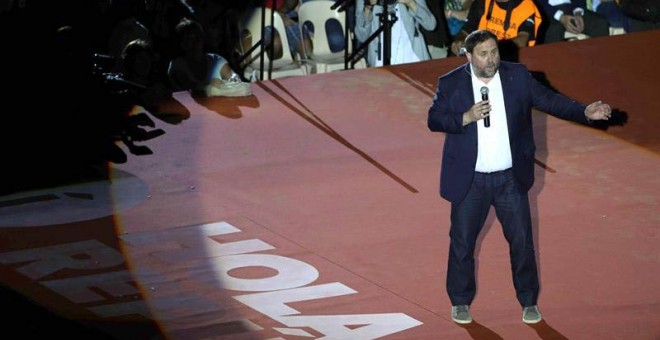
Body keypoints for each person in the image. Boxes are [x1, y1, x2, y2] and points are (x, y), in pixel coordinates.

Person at [427, 29, 612, 325]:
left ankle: (528, 301)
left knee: (522, 242)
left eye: (495, 52)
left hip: (509, 180)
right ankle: (460, 301)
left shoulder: (518, 76)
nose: (492, 59)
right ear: (468, 55)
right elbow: (434, 119)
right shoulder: (451, 83)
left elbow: (551, 101)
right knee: (462, 243)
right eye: (484, 54)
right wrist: (465, 117)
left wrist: (585, 111)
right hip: (470, 181)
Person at [167, 17, 252, 97]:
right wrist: (217, 86)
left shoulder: (216, 60)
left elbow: (237, 81)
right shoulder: (176, 65)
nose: (197, 42)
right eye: (191, 39)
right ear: (183, 44)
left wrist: (230, 82)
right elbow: (192, 89)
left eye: (199, 37)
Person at [355, 0, 437, 67]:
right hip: (380, 61)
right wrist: (368, 8)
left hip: (413, 58)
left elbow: (431, 25)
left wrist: (411, 3)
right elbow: (361, 37)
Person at [450, 0, 542, 57]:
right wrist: (459, 42)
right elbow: (466, 31)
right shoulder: (481, 3)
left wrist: (490, 47)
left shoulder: (526, 5)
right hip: (481, 61)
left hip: (513, 59)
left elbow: (523, 39)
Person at [537, 0, 609, 43]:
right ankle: (554, 66)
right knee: (554, 30)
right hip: (548, 13)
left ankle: (599, 61)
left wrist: (578, 13)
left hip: (572, 9)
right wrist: (560, 17)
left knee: (600, 23)